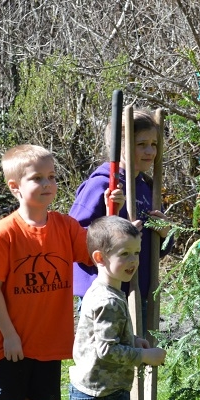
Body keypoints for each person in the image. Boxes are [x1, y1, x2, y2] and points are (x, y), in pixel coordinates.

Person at [0, 144, 116, 400]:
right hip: (14, 343)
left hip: (50, 342)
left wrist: (112, 211)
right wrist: (9, 334)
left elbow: (96, 252)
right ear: (14, 187)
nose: (47, 184)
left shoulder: (65, 227)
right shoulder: (5, 232)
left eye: (51, 177)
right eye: (37, 178)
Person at [54, 216, 166, 400]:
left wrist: (134, 340)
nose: (133, 261)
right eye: (124, 254)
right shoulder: (110, 301)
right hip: (103, 393)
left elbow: (101, 339)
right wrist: (145, 356)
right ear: (100, 258)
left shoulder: (100, 290)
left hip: (83, 388)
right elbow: (107, 351)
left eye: (137, 252)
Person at [69, 108, 171, 309]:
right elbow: (74, 239)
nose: (150, 151)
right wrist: (117, 234)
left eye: (154, 144)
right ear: (119, 146)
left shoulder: (148, 188)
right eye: (141, 144)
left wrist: (165, 234)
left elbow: (153, 250)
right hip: (104, 297)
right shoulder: (102, 185)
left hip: (139, 294)